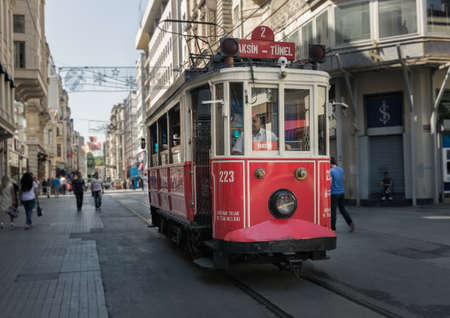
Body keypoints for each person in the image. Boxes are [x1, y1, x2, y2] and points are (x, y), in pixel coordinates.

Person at [330, 157, 355, 232]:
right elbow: (344, 180)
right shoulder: (341, 169)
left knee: (333, 211)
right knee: (342, 209)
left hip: (334, 193)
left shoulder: (331, 171)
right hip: (341, 192)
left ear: (329, 163)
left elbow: (330, 182)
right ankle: (350, 223)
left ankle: (332, 228)